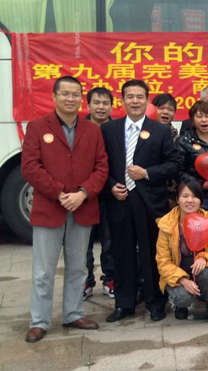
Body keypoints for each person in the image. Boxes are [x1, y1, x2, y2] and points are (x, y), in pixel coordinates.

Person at [21, 76, 108, 343]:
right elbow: (30, 167)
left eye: (75, 94)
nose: (71, 99)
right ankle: (39, 321)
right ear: (54, 96)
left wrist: (83, 193)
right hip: (50, 208)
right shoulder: (38, 127)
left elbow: (101, 167)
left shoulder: (92, 130)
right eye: (65, 94)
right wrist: (59, 193)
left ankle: (73, 313)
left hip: (82, 207)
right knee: (44, 270)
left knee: (78, 267)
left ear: (81, 98)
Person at [101, 79, 182, 323]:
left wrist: (147, 173)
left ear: (147, 101)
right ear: (122, 100)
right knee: (122, 253)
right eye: (130, 96)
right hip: (119, 199)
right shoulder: (109, 130)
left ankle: (155, 303)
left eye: (139, 97)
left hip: (149, 202)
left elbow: (174, 164)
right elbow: (100, 164)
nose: (135, 101)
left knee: (152, 254)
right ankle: (124, 304)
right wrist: (110, 185)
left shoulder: (160, 130)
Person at [155, 181, 208, 324]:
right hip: (179, 272)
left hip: (201, 272)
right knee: (182, 298)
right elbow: (163, 261)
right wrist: (182, 280)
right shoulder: (166, 224)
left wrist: (205, 258)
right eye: (185, 196)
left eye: (194, 196)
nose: (190, 200)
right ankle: (181, 304)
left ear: (201, 200)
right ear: (177, 199)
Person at [83, 87, 115, 300]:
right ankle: (85, 280)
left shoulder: (117, 129)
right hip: (84, 194)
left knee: (110, 239)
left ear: (112, 106)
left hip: (110, 194)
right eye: (96, 102)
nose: (101, 107)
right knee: (83, 241)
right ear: (88, 105)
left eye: (105, 103)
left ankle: (110, 279)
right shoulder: (79, 128)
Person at [177, 101, 208, 222]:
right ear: (192, 120)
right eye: (199, 117)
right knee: (193, 230)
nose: (204, 120)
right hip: (193, 197)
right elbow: (177, 171)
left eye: (207, 116)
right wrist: (201, 184)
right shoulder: (184, 140)